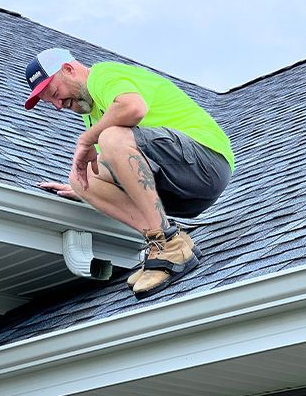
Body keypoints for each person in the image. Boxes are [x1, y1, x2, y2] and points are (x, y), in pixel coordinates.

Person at [24, 48, 234, 300]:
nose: (58, 106)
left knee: (111, 136)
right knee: (81, 178)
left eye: (56, 94)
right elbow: (125, 167)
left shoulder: (103, 75)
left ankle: (168, 244)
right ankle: (168, 242)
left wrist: (86, 140)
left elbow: (133, 108)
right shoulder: (93, 114)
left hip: (206, 163)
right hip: (181, 192)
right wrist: (86, 190)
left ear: (69, 70)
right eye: (52, 103)